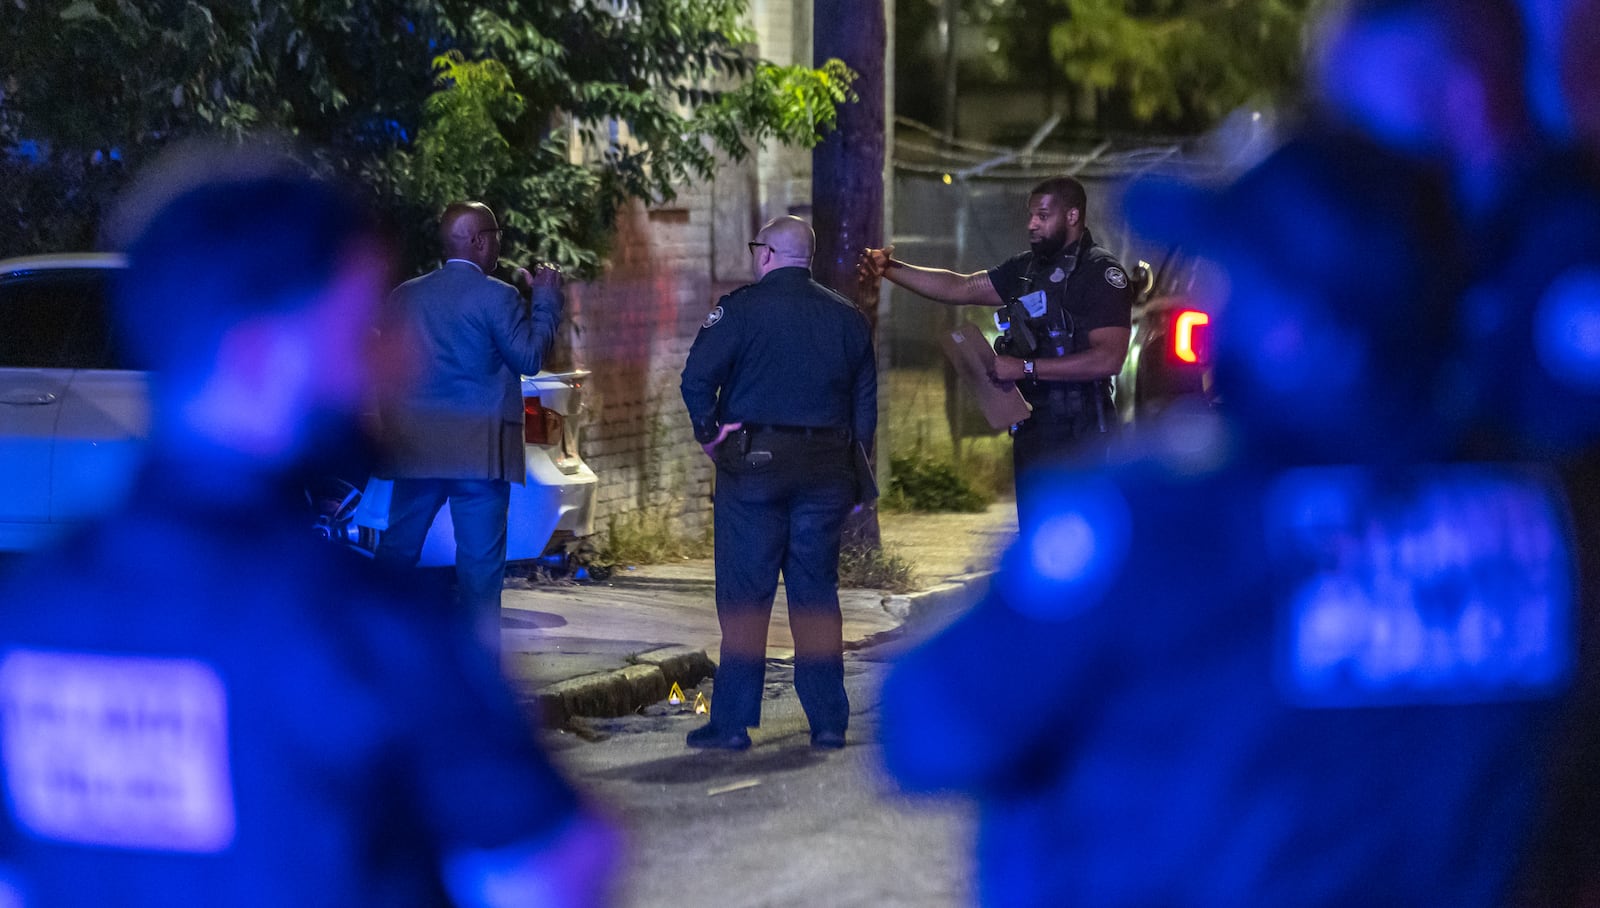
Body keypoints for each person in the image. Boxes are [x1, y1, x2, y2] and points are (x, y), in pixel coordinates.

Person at [880, 116, 1582, 905]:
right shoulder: (1553, 524)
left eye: (1235, 278)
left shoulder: (1162, 523)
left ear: (1293, 325)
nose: (1216, 302)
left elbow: (929, 728)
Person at [0, 145, 615, 905]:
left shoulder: (33, 610)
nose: (389, 372)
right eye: (356, 336)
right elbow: (549, 872)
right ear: (258, 354)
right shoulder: (365, 626)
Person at [678, 215, 877, 751]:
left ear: (766, 254)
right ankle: (829, 722)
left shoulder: (741, 311)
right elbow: (865, 414)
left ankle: (734, 723)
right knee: (815, 596)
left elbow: (696, 379)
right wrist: (855, 482)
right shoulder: (848, 318)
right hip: (825, 470)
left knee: (746, 594)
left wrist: (712, 438)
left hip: (754, 468)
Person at [857, 176, 1134, 531]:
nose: (1031, 223)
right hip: (1034, 428)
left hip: (1084, 433)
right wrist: (890, 269)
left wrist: (1026, 367)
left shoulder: (1100, 273)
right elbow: (963, 286)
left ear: (1072, 216)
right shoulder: (1027, 269)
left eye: (1043, 215)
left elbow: (1110, 358)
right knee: (1036, 539)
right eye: (1031, 214)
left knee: (1084, 540)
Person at [373, 202, 563, 657]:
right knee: (479, 571)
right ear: (478, 240)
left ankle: (373, 654)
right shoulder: (497, 297)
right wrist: (546, 300)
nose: (499, 242)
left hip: (417, 451)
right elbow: (529, 359)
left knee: (396, 555)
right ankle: (481, 676)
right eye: (495, 234)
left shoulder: (404, 297)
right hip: (480, 455)